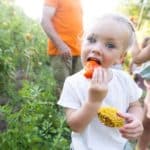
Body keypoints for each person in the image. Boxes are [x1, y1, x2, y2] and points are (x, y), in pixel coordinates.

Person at [58, 14, 144, 150]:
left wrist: (136, 119)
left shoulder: (124, 80)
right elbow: (75, 126)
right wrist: (93, 102)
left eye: (110, 45)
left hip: (120, 146)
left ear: (120, 58)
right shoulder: (73, 83)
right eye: (91, 40)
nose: (96, 49)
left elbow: (135, 106)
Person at [41, 0, 83, 93]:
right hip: (61, 52)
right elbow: (45, 21)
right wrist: (60, 45)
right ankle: (62, 108)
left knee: (79, 89)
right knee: (64, 91)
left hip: (78, 51)